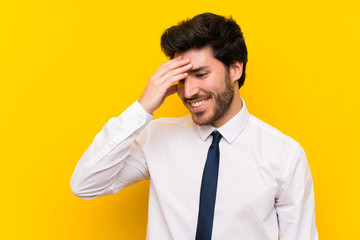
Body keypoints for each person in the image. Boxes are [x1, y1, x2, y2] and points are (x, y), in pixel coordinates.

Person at [71, 13, 318, 239]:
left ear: (235, 69)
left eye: (200, 75)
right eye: (181, 79)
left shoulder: (285, 156)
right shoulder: (158, 137)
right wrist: (143, 107)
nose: (188, 92)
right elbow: (85, 184)